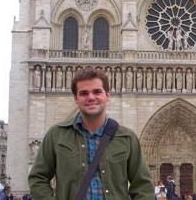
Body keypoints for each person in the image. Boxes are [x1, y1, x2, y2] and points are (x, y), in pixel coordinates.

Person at [28, 68, 155, 199]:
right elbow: (38, 178)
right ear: (76, 98)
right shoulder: (56, 135)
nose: (91, 97)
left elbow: (143, 186)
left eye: (97, 92)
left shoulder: (127, 138)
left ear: (108, 95)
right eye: (84, 93)